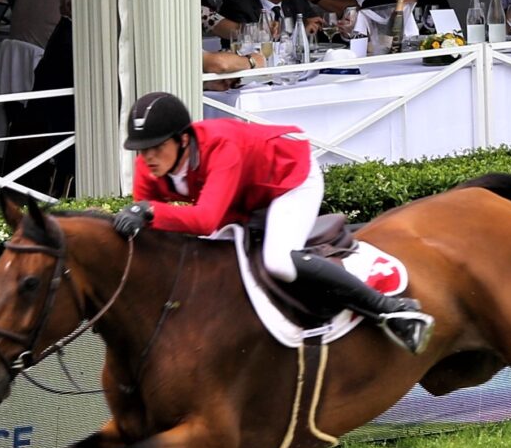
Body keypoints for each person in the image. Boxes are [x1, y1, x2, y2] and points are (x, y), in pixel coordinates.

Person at [113, 92, 434, 355]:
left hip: (290, 180)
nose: (149, 158)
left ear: (183, 140)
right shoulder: (149, 168)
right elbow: (151, 225)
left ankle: (392, 310)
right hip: (241, 198)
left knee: (278, 261)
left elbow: (204, 219)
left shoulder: (222, 147)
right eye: (142, 150)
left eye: (157, 148)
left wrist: (148, 212)